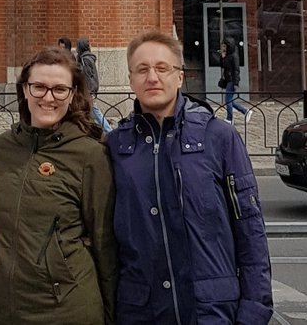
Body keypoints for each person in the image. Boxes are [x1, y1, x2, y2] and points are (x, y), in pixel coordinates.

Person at [110, 29, 273, 325]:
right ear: (131, 79)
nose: (153, 77)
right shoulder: (116, 147)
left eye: (162, 68)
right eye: (142, 69)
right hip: (141, 311)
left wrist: (255, 309)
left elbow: (249, 229)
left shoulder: (218, 137)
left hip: (211, 311)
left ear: (180, 76)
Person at [0, 46, 117, 325]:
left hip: (67, 307)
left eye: (59, 89)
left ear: (72, 94)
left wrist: (111, 312)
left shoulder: (89, 154)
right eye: (39, 87)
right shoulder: (1, 149)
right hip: (4, 307)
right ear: (24, 90)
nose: (48, 97)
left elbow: (104, 242)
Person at [76, 37, 112, 133]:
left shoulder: (85, 60)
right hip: (89, 90)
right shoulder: (88, 58)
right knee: (88, 111)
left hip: (88, 90)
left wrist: (90, 92)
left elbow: (88, 77)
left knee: (95, 111)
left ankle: (108, 130)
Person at [218, 40, 252, 124]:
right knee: (229, 100)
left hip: (232, 80)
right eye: (222, 46)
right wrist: (222, 57)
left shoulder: (234, 56)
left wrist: (236, 83)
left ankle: (230, 119)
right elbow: (223, 66)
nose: (223, 48)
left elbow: (236, 70)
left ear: (229, 46)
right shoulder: (227, 56)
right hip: (228, 79)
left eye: (225, 46)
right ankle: (245, 111)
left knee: (228, 100)